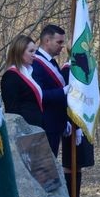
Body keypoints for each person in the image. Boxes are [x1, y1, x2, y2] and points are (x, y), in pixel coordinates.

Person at [60, 62, 94, 197]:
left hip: (84, 121)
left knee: (79, 162)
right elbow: (68, 99)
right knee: (70, 163)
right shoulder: (68, 71)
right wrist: (72, 123)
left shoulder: (87, 69)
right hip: (71, 124)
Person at [32, 24, 70, 157]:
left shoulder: (52, 62)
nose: (62, 46)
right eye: (59, 42)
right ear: (47, 41)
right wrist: (63, 91)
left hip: (56, 123)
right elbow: (39, 95)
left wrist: (65, 120)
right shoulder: (35, 63)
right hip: (46, 125)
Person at [0, 35, 44, 128]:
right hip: (25, 132)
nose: (34, 55)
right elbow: (12, 111)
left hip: (37, 129)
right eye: (31, 51)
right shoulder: (10, 76)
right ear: (19, 52)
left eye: (35, 51)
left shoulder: (29, 73)